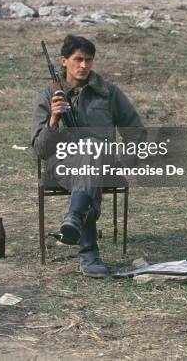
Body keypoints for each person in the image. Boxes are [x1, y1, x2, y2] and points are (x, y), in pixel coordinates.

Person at [31, 34, 144, 277]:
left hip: (103, 166)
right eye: (78, 59)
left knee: (92, 151)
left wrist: (127, 159)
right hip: (62, 166)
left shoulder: (108, 93)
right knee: (89, 155)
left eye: (88, 60)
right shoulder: (48, 96)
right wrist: (53, 120)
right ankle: (88, 251)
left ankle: (75, 220)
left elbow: (135, 130)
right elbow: (40, 151)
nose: (83, 65)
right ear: (64, 61)